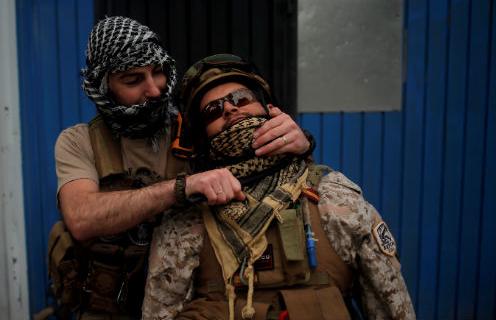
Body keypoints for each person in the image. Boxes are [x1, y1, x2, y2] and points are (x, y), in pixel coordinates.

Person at [49, 17, 312, 319]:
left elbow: (272, 169)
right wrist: (181, 187)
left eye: (158, 73)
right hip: (107, 308)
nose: (154, 90)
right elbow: (82, 219)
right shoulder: (79, 142)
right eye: (133, 80)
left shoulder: (199, 128)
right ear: (103, 86)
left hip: (191, 306)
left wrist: (301, 143)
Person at [142, 54, 416, 320]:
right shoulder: (186, 221)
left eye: (241, 98)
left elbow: (391, 306)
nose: (229, 108)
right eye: (212, 110)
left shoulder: (333, 197)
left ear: (269, 109)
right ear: (202, 137)